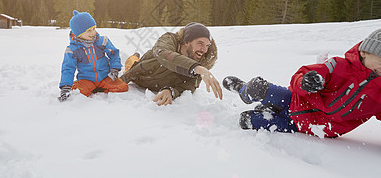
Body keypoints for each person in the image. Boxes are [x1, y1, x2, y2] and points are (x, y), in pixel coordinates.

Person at [223, 28, 381, 138]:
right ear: (364, 52)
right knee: (257, 87)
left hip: (306, 127)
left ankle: (267, 110)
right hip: (292, 101)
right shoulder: (338, 66)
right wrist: (305, 83)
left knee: (246, 120)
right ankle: (243, 90)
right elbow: (300, 74)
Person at [121, 22, 223, 106]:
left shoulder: (198, 65)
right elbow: (162, 53)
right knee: (131, 64)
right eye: (200, 43)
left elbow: (189, 86)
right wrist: (197, 68)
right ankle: (134, 56)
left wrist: (171, 91)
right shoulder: (169, 39)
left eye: (207, 46)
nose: (204, 50)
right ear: (186, 41)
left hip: (156, 83)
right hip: (137, 73)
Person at [58, 10, 128, 101]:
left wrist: (115, 68)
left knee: (123, 87)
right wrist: (65, 86)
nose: (93, 33)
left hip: (104, 77)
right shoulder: (73, 50)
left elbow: (114, 53)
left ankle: (100, 87)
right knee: (78, 93)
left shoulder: (102, 41)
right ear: (78, 33)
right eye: (89, 30)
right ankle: (77, 86)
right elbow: (68, 68)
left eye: (94, 28)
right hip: (87, 79)